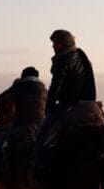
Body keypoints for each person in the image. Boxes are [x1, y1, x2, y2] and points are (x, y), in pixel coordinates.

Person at [34, 29, 96, 168]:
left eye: (56, 43)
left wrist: (49, 108)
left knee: (41, 135)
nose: (53, 46)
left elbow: (56, 86)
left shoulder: (64, 60)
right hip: (87, 105)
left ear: (64, 44)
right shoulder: (81, 56)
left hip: (67, 106)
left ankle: (39, 168)